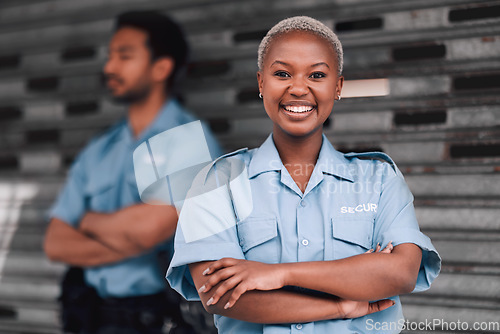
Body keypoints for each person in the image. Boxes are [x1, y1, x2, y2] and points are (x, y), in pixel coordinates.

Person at [166, 16, 441, 333]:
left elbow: (401, 273)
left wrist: (278, 274)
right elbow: (219, 294)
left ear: (337, 87)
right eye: (282, 73)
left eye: (317, 75)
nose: (298, 88)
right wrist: (340, 304)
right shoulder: (215, 182)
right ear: (260, 83)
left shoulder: (379, 180)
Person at [44, 10, 223, 334]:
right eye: (110, 56)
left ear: (161, 68)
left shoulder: (189, 142)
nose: (109, 67)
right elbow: (56, 242)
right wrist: (126, 238)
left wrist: (87, 221)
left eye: (124, 56)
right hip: (89, 315)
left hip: (155, 319)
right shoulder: (100, 149)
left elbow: (150, 232)